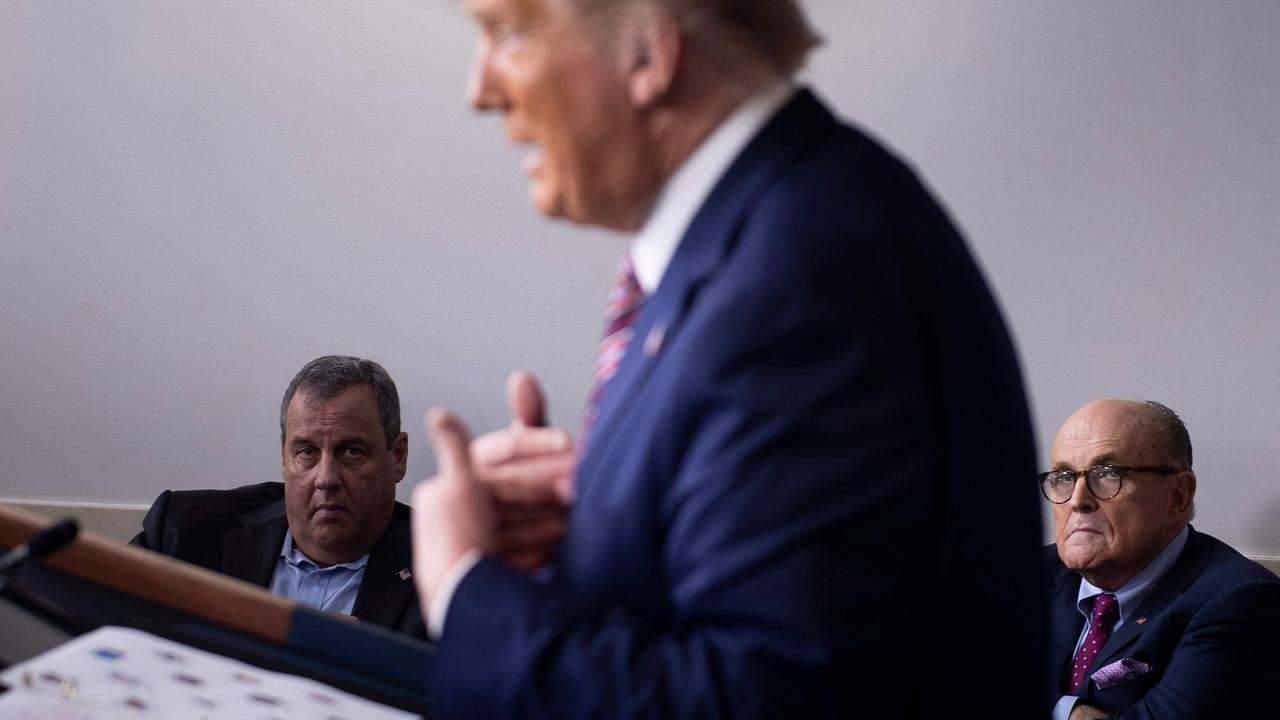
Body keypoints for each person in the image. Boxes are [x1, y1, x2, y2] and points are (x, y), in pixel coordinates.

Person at [411, 0, 1047, 715]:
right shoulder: (777, 233)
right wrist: (582, 526)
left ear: (649, 52)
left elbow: (766, 699)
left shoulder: (804, 275)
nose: (480, 89)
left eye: (510, 32)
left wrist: (467, 591)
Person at [132, 355, 426, 639]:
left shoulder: (448, 572)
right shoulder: (181, 532)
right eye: (307, 452)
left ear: (398, 457)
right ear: (285, 457)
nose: (326, 479)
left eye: (352, 452)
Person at [1043, 399, 1280, 719]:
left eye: (1107, 474)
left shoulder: (1242, 601)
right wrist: (1069, 711)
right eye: (1064, 476)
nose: (1078, 500)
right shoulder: (1030, 573)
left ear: (1178, 496)